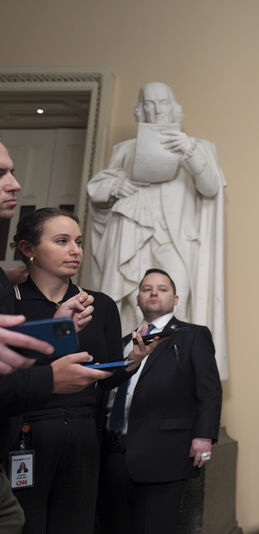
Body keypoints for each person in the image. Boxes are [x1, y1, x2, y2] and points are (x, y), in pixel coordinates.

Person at [0, 142, 112, 534]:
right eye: (62, 241)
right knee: (26, 522)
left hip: (82, 429)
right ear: (29, 250)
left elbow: (107, 373)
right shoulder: (12, 299)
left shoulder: (97, 304)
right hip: (27, 431)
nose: (75, 250)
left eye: (78, 241)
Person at [87, 81, 228, 377]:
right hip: (133, 236)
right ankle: (126, 378)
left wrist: (189, 153)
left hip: (175, 239)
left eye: (161, 103)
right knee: (128, 304)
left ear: (173, 107)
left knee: (179, 302)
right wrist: (117, 185)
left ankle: (176, 375)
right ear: (141, 110)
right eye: (148, 104)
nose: (155, 109)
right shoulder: (125, 150)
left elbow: (211, 187)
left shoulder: (198, 146)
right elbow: (98, 191)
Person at [98, 268, 222, 534]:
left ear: (176, 299)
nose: (153, 293)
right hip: (113, 452)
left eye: (162, 289)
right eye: (146, 289)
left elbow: (209, 390)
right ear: (138, 299)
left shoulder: (192, 335)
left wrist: (204, 435)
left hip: (163, 452)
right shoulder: (123, 342)